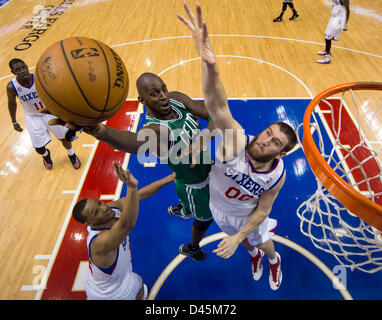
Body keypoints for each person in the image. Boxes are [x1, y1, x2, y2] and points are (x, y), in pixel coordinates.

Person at [177, 2, 298, 290]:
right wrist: (210, 64)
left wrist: (239, 234)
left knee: (262, 241)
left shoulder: (276, 175)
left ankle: (271, 259)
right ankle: (253, 254)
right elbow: (217, 105)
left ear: (280, 154)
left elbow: (263, 210)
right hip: (219, 207)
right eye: (268, 132)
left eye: (274, 142)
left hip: (246, 216)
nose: (265, 139)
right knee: (245, 244)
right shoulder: (236, 142)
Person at [50, 73, 215, 261]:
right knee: (204, 220)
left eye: (163, 89)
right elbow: (134, 142)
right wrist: (99, 130)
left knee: (188, 196)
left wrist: (203, 140)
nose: (163, 96)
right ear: (142, 100)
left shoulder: (177, 99)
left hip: (205, 169)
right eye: (154, 93)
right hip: (196, 186)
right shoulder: (153, 129)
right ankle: (192, 247)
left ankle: (183, 208)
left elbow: (216, 116)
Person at [72, 161, 175, 300]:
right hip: (111, 294)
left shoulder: (109, 210)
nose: (104, 208)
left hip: (119, 279)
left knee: (139, 285)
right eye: (96, 212)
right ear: (89, 223)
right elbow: (127, 224)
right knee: (138, 287)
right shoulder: (100, 242)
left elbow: (138, 196)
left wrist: (169, 178)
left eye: (99, 203)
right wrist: (131, 186)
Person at [6, 58, 81, 170]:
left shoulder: (40, 79)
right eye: (18, 70)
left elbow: (56, 92)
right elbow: (12, 103)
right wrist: (14, 121)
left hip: (50, 112)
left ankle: (71, 154)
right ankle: (46, 156)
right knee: (39, 148)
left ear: (27, 66)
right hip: (33, 117)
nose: (22, 71)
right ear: (13, 72)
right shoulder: (12, 87)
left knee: (65, 139)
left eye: (23, 67)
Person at [317, 0, 350, 64]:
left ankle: (327, 58)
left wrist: (345, 24)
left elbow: (347, 9)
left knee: (328, 37)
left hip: (339, 19)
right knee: (327, 33)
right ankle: (327, 50)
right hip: (333, 17)